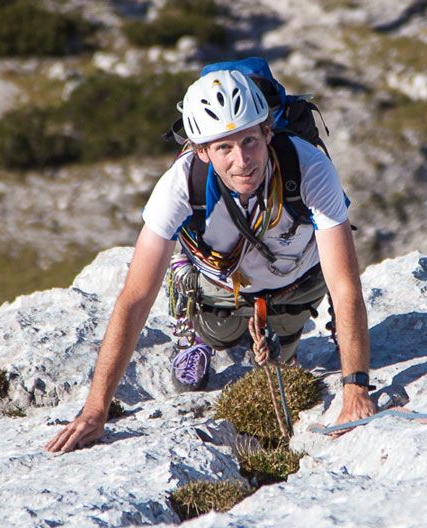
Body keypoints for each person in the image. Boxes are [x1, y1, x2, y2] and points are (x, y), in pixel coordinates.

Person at [45, 68, 376, 453]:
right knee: (218, 332)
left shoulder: (309, 169)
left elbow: (343, 284)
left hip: (295, 280)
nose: (243, 160)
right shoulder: (181, 184)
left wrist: (356, 391)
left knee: (282, 361)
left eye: (250, 140)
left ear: (268, 132)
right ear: (200, 150)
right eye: (224, 148)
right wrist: (94, 411)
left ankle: (284, 328)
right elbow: (135, 297)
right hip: (219, 284)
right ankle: (192, 323)